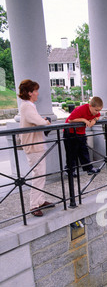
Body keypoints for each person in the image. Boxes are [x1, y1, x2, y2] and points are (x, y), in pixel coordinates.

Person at [18, 79, 55, 217]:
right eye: (35, 91)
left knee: (41, 173)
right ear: (29, 93)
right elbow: (39, 121)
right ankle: (34, 205)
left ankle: (40, 200)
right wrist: (46, 121)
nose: (37, 93)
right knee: (38, 174)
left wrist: (43, 121)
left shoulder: (28, 105)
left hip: (35, 144)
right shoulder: (27, 106)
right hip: (33, 145)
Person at [64, 97, 103, 176]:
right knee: (72, 152)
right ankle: (70, 170)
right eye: (96, 110)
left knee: (84, 150)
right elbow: (70, 120)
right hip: (70, 132)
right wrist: (84, 120)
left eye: (99, 110)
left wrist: (94, 119)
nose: (97, 112)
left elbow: (98, 116)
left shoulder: (95, 112)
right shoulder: (80, 109)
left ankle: (88, 168)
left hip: (81, 132)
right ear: (90, 106)